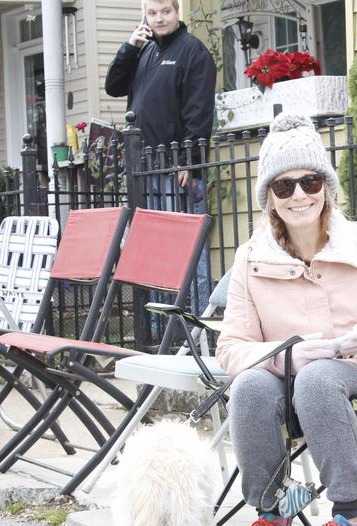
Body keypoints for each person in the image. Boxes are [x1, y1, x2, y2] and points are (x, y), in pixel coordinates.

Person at [214, 113, 357, 526]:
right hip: (284, 380)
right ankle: (273, 519)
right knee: (248, 387)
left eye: (310, 181)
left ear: (326, 185)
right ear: (269, 199)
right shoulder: (250, 257)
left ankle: (348, 518)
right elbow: (231, 349)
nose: (299, 194)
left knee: (320, 378)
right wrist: (284, 355)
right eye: (284, 187)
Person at [105, 0, 216, 311]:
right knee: (154, 253)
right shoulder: (145, 51)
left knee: (186, 252)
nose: (159, 19)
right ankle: (159, 329)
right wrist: (129, 47)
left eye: (165, 11)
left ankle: (194, 325)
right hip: (144, 169)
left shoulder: (193, 51)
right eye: (152, 13)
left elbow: (199, 111)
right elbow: (113, 86)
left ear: (177, 12)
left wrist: (190, 163)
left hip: (175, 170)